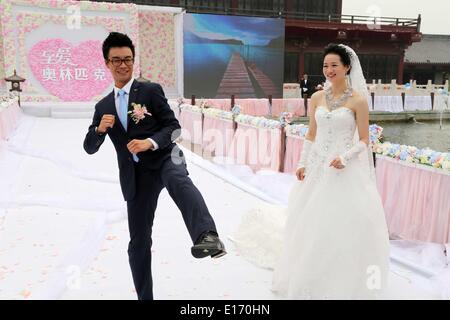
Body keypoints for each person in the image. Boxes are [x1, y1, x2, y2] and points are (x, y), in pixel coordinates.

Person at [232, 44, 390, 299]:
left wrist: (345, 157)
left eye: (334, 65)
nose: (328, 70)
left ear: (347, 67)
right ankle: (307, 272)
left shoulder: (358, 101)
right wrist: (302, 163)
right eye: (325, 65)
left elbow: (363, 140)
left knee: (339, 224)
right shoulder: (317, 98)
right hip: (317, 167)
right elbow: (311, 134)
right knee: (309, 222)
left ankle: (340, 276)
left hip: (341, 169)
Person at [83, 32, 226, 300]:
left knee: (179, 182)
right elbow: (89, 147)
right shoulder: (102, 106)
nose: (123, 65)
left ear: (133, 60)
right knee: (138, 244)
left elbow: (174, 128)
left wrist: (149, 142)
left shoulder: (150, 90)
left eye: (127, 59)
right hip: (136, 177)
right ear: (106, 63)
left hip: (166, 157)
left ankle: (207, 236)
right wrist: (99, 130)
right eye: (116, 60)